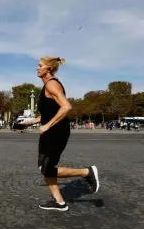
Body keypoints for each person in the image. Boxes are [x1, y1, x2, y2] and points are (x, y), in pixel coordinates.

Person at [24, 56, 99, 211]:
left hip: (56, 132)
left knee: (47, 168)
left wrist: (47, 125)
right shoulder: (47, 86)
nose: (37, 68)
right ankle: (59, 202)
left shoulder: (52, 85)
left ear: (49, 68)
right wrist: (33, 121)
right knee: (44, 167)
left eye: (40, 65)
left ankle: (87, 172)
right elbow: (49, 112)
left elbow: (66, 107)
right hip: (51, 130)